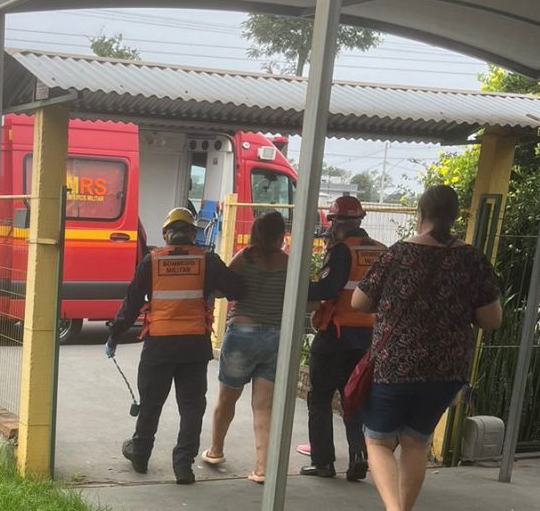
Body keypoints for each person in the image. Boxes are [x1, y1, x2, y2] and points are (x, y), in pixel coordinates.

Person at [351, 183, 502, 511]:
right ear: (455, 216)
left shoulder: (397, 255)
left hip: (396, 364)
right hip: (446, 370)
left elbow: (358, 302)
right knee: (416, 443)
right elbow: (492, 319)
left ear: (420, 214)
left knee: (378, 442)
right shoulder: (473, 260)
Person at [105, 206, 243, 484]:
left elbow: (131, 303)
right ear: (192, 234)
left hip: (159, 346)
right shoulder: (208, 261)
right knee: (191, 408)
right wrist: (217, 283)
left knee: (151, 404)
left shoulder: (151, 261)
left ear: (166, 234)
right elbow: (237, 289)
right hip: (194, 347)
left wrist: (114, 336)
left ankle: (140, 455)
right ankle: (183, 466)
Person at [301, 195, 385, 482]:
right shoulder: (382, 251)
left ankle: (323, 462)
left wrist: (298, 286)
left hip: (335, 337)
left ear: (337, 222)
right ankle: (359, 455)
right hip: (368, 339)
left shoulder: (341, 251)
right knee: (355, 399)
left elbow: (329, 288)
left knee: (320, 399)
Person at [201, 211, 288, 484]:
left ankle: (216, 450)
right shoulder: (289, 262)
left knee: (227, 398)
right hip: (275, 337)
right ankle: (262, 468)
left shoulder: (244, 257)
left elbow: (221, 289)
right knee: (263, 406)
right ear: (281, 235)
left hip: (242, 334)